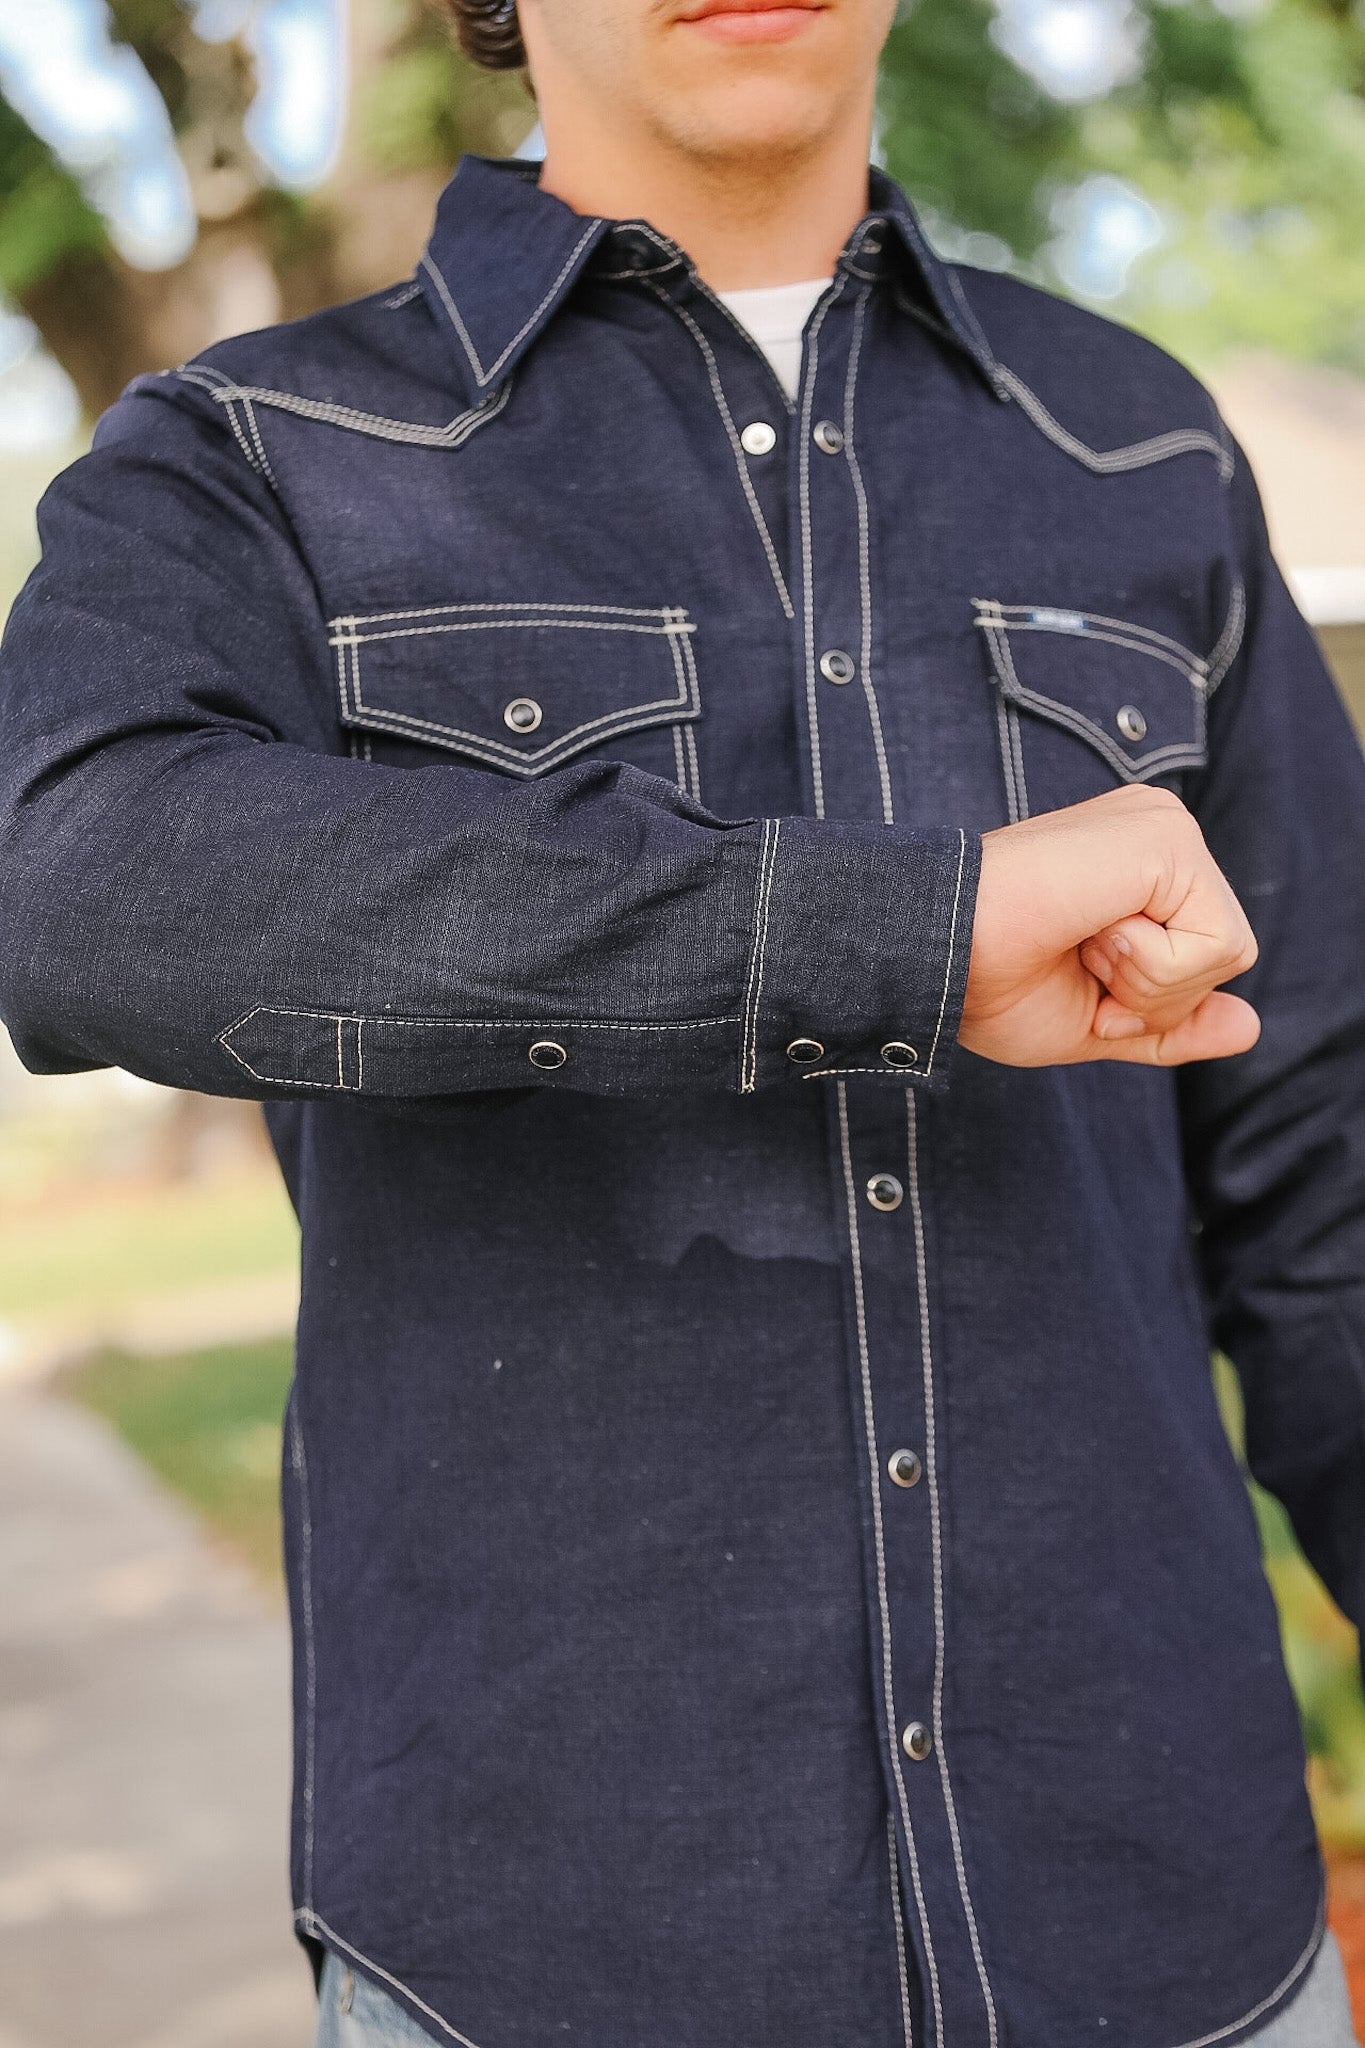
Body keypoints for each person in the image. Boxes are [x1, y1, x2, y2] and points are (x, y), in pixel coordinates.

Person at [1, 0, 1362, 2041]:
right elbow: (86, 887)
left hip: (1174, 1928)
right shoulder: (256, 455)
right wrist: (898, 926)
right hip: (547, 1949)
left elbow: (1322, 1164)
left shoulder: (1139, 447)